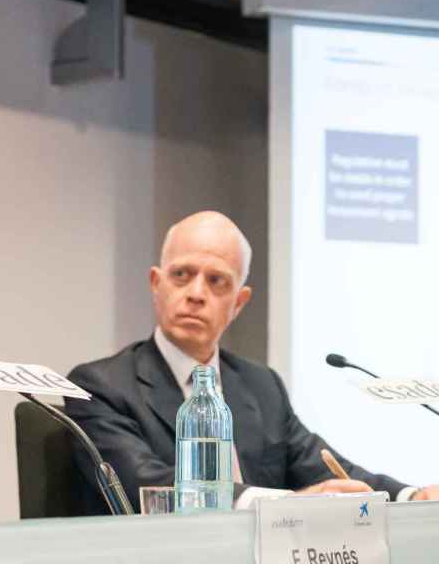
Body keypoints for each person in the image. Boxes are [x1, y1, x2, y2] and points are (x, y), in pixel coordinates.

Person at [65, 211, 439, 514]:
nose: (196, 294)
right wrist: (286, 505)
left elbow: (326, 467)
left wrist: (410, 497)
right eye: (182, 275)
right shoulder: (101, 386)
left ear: (239, 302)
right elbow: (144, 485)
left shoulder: (260, 385)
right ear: (155, 284)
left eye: (217, 281)